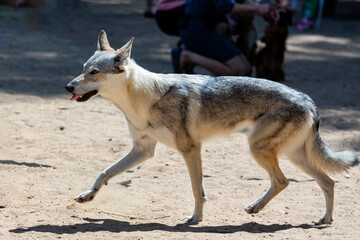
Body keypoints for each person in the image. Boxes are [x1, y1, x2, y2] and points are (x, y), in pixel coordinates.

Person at [176, 0, 275, 76]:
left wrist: (261, 8)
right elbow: (227, 6)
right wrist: (256, 9)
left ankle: (189, 55)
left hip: (208, 28)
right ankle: (187, 56)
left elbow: (240, 1)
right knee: (240, 71)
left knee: (246, 69)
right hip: (197, 31)